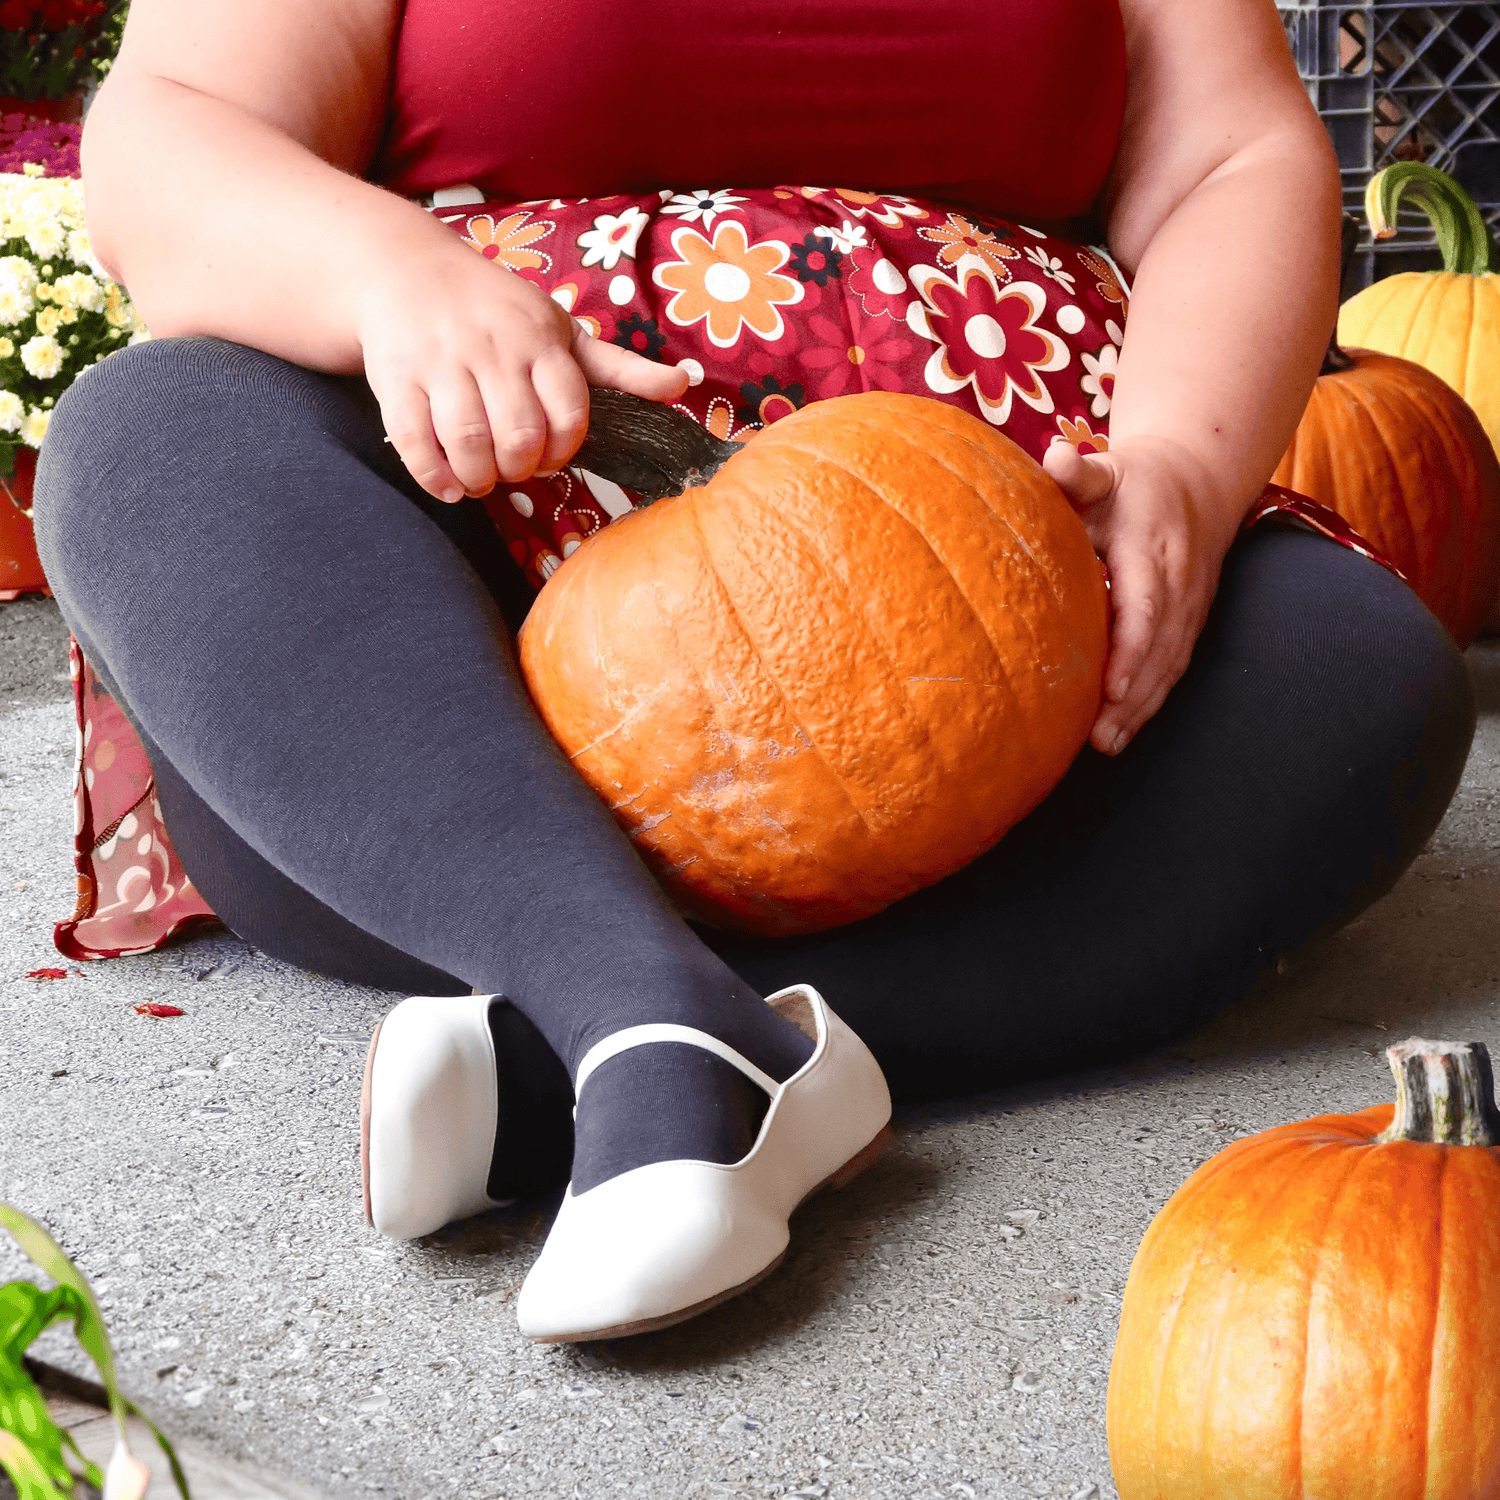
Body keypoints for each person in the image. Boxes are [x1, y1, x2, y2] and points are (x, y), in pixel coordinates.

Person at [34, 0, 1474, 1343]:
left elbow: (1231, 154)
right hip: (494, 543)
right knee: (154, 443)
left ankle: (621, 1044)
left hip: (1005, 580)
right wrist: (390, 275)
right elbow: (178, 121)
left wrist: (1180, 470)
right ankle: (632, 998)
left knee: (1351, 680)